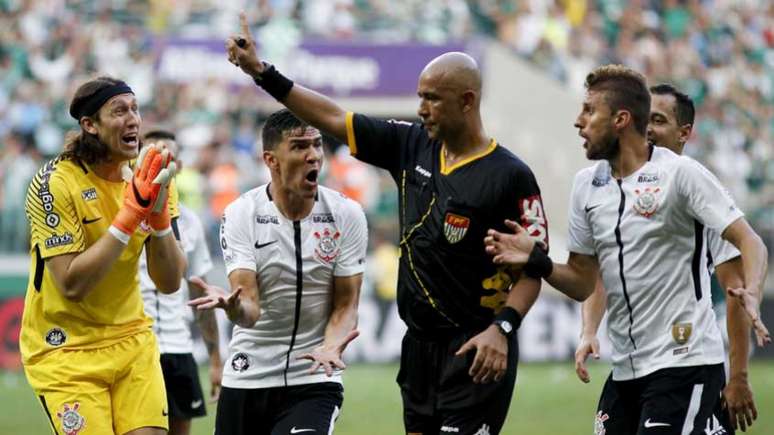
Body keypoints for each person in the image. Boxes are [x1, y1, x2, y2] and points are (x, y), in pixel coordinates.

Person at [225, 13, 547, 435]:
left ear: (467, 101)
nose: (421, 108)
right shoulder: (410, 144)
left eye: (432, 98)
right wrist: (262, 74)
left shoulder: (510, 175)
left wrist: (502, 328)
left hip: (474, 345)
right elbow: (333, 118)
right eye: (420, 96)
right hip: (418, 348)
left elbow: (535, 267)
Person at [484, 65, 770, 435]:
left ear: (620, 119)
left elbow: (751, 241)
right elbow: (584, 281)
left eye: (589, 111)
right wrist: (538, 262)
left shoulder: (683, 176)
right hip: (626, 369)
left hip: (683, 362)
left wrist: (753, 292)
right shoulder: (586, 186)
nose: (578, 122)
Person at [572, 83, 768, 433]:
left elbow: (735, 288)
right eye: (646, 119)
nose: (648, 129)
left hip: (684, 358)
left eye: (659, 120)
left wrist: (737, 377)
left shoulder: (692, 187)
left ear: (684, 133)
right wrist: (589, 330)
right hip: (629, 367)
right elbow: (601, 271)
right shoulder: (605, 188)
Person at [21, 76, 185, 435]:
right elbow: (71, 284)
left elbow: (170, 282)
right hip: (66, 351)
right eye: (119, 111)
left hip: (131, 340)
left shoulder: (150, 178)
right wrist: (129, 217)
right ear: (90, 125)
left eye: (135, 109)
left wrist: (158, 221)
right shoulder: (54, 183)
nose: (134, 120)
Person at [189, 109, 368, 435]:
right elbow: (250, 310)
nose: (313, 155)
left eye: (317, 145)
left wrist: (331, 345)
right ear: (271, 160)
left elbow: (347, 303)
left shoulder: (347, 214)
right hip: (248, 374)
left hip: (313, 375)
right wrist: (234, 308)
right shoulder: (242, 213)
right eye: (300, 146)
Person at [139, 129, 222, 435]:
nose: (161, 161)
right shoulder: (121, 212)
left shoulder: (190, 222)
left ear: (179, 167)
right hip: (135, 348)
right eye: (152, 154)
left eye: (168, 155)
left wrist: (215, 361)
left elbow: (200, 292)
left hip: (178, 349)